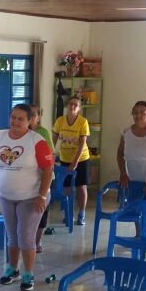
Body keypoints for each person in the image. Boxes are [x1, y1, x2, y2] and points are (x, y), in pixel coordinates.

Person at [0, 104, 53, 291]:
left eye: (21, 119)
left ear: (30, 121)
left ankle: (28, 273)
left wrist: (41, 196)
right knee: (12, 236)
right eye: (13, 117)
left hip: (32, 197)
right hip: (6, 196)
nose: (15, 122)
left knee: (25, 236)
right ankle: (12, 269)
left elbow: (48, 170)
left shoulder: (37, 141)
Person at [52, 96, 91, 225]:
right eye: (70, 104)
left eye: (75, 104)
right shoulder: (60, 121)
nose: (72, 106)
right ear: (67, 106)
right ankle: (68, 213)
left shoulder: (83, 122)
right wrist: (50, 155)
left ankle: (82, 213)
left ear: (79, 108)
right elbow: (54, 139)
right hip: (65, 158)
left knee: (81, 186)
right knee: (67, 187)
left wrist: (75, 162)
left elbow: (82, 144)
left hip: (81, 159)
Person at [117, 100, 146, 195]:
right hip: (130, 183)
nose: (138, 115)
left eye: (143, 112)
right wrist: (123, 173)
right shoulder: (126, 133)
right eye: (135, 112)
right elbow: (120, 155)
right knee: (131, 208)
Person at [30, 105, 55, 252]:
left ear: (38, 117)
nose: (31, 117)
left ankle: (37, 241)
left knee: (42, 209)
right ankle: (28, 240)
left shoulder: (43, 133)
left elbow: (49, 156)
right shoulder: (23, 133)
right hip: (28, 178)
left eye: (34, 115)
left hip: (43, 176)